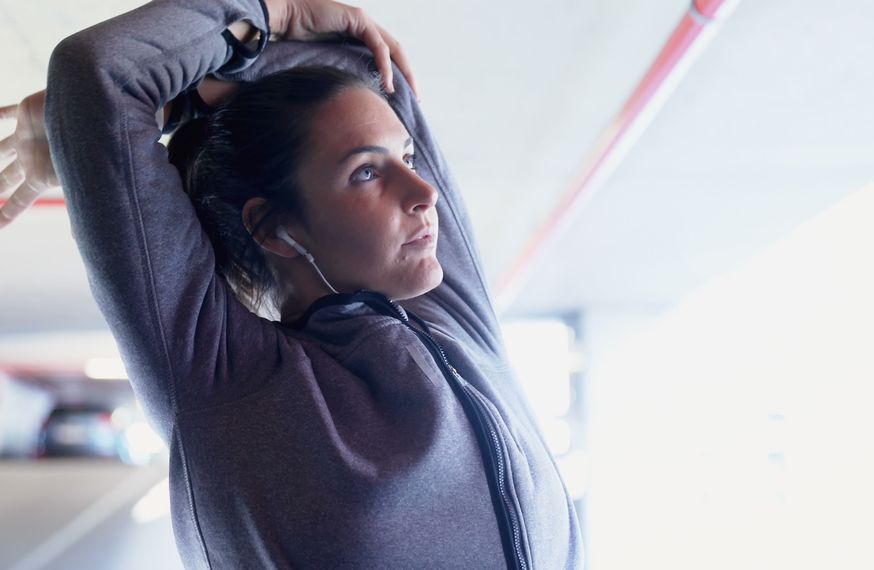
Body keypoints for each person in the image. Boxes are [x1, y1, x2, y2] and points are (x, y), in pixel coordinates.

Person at [0, 0, 583, 567]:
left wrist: (195, 98)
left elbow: (364, 74)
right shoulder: (224, 377)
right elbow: (99, 77)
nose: (425, 192)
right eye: (367, 172)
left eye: (406, 157)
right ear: (275, 228)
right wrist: (275, 15)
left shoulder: (450, 320)